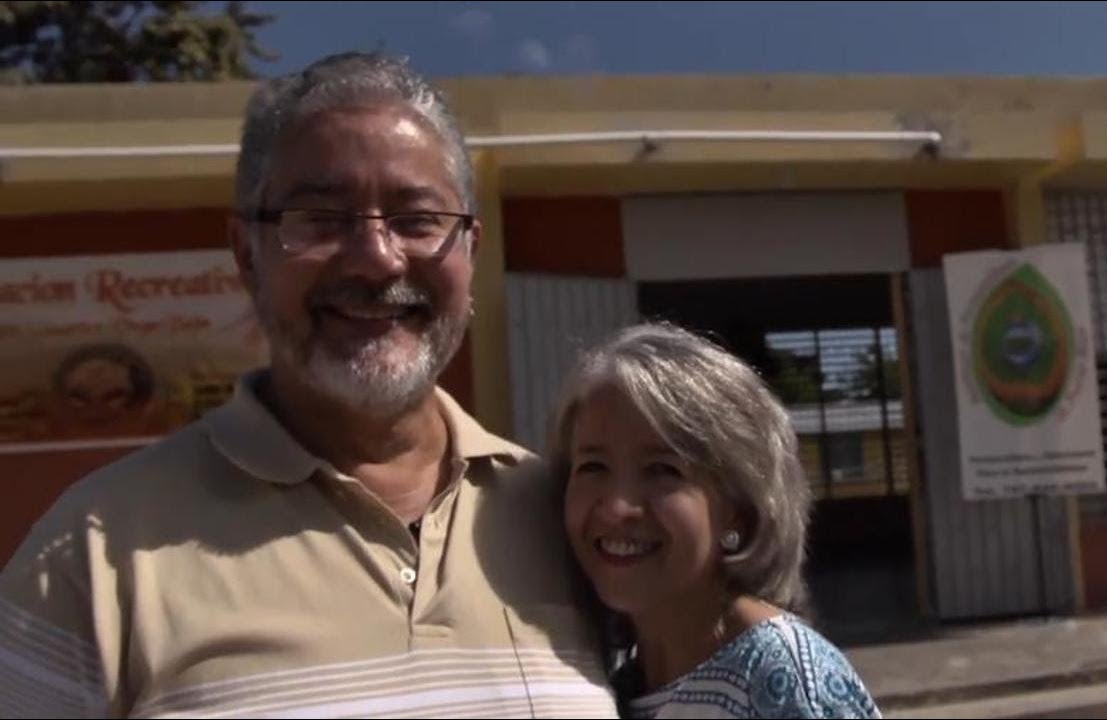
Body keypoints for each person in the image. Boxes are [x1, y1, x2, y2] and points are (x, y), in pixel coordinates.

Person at [0, 53, 616, 718]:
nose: (377, 258)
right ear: (246, 255)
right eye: (321, 219)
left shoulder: (576, 522)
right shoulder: (94, 554)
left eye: (416, 219)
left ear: (470, 247)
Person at [549, 323, 881, 719]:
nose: (617, 507)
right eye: (593, 466)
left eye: (662, 470)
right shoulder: (610, 685)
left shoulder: (781, 679)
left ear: (737, 509)